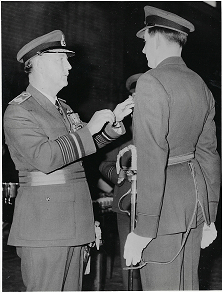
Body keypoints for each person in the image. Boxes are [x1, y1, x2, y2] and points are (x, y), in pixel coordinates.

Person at [3, 30, 134, 291]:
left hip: (75, 223)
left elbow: (81, 148)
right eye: (62, 59)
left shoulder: (62, 107)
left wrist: (111, 125)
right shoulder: (19, 110)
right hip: (45, 229)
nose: (69, 66)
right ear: (39, 62)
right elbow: (46, 157)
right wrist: (89, 129)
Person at [124, 6, 221, 290]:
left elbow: (152, 158)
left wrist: (143, 230)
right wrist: (210, 217)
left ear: (155, 38)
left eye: (145, 41)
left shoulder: (151, 82)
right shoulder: (200, 85)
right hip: (194, 206)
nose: (143, 50)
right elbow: (209, 155)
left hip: (162, 209)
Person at [99, 73, 142, 290]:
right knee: (130, 265)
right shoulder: (122, 131)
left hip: (158, 204)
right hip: (126, 207)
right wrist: (118, 175)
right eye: (134, 99)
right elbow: (104, 163)